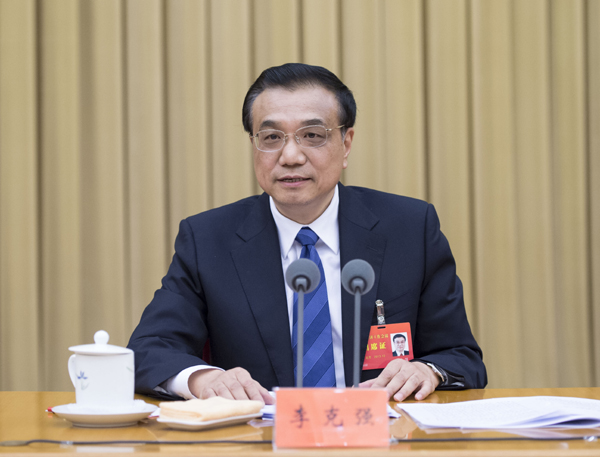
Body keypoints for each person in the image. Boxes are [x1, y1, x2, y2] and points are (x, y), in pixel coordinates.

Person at [128, 63, 487, 404]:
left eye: (312, 136)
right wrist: (203, 379)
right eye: (271, 137)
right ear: (253, 144)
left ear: (346, 144)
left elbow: (461, 357)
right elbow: (148, 350)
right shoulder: (209, 239)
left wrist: (427, 370)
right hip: (261, 435)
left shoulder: (409, 229)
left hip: (379, 433)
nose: (290, 156)